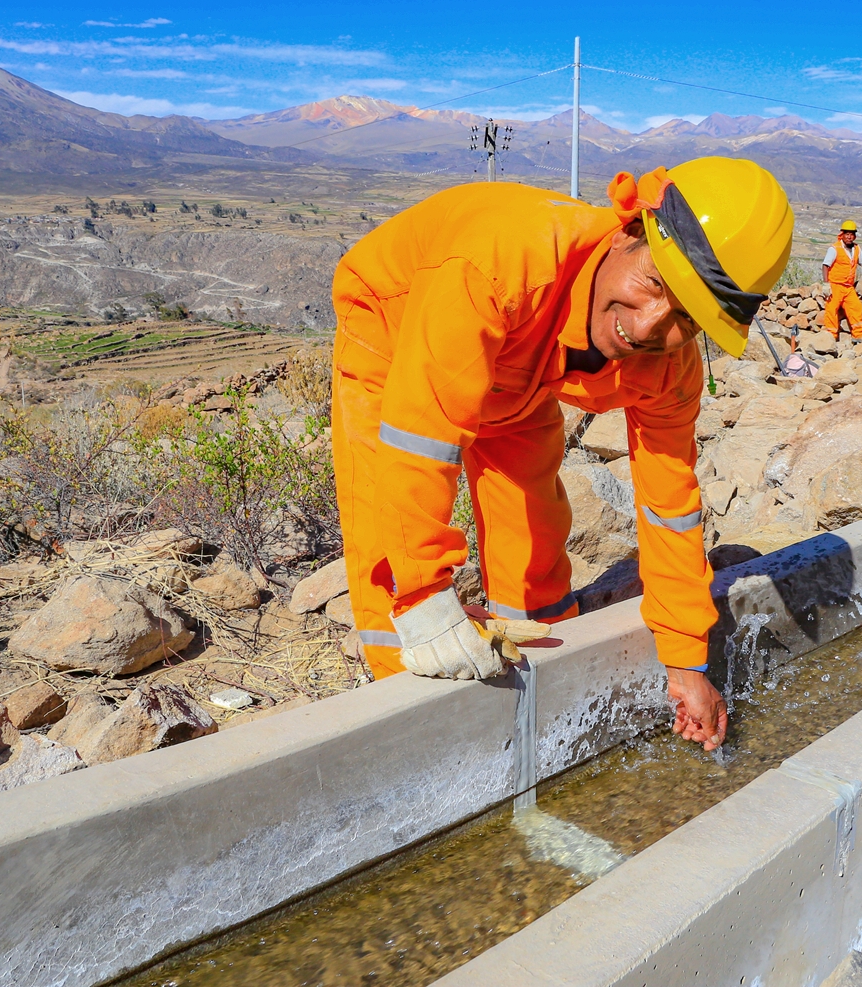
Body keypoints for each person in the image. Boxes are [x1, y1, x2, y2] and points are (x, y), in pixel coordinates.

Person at [329, 156, 794, 752]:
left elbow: (668, 509)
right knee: (393, 565)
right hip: (395, 328)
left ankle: (535, 720)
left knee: (535, 553)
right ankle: (410, 732)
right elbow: (418, 445)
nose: (649, 326)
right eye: (654, 285)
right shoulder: (497, 265)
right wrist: (423, 595)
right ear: (629, 231)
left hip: (517, 362)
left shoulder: (670, 365)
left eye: (686, 316)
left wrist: (685, 660)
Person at [821, 220, 862, 340]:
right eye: (847, 234)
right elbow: (825, 265)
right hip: (835, 285)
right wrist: (826, 283)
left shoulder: (856, 249)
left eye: (852, 234)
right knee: (831, 310)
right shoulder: (834, 248)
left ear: (854, 236)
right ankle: (831, 337)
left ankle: (858, 335)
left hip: (848, 287)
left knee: (856, 308)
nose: (849, 237)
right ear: (842, 235)